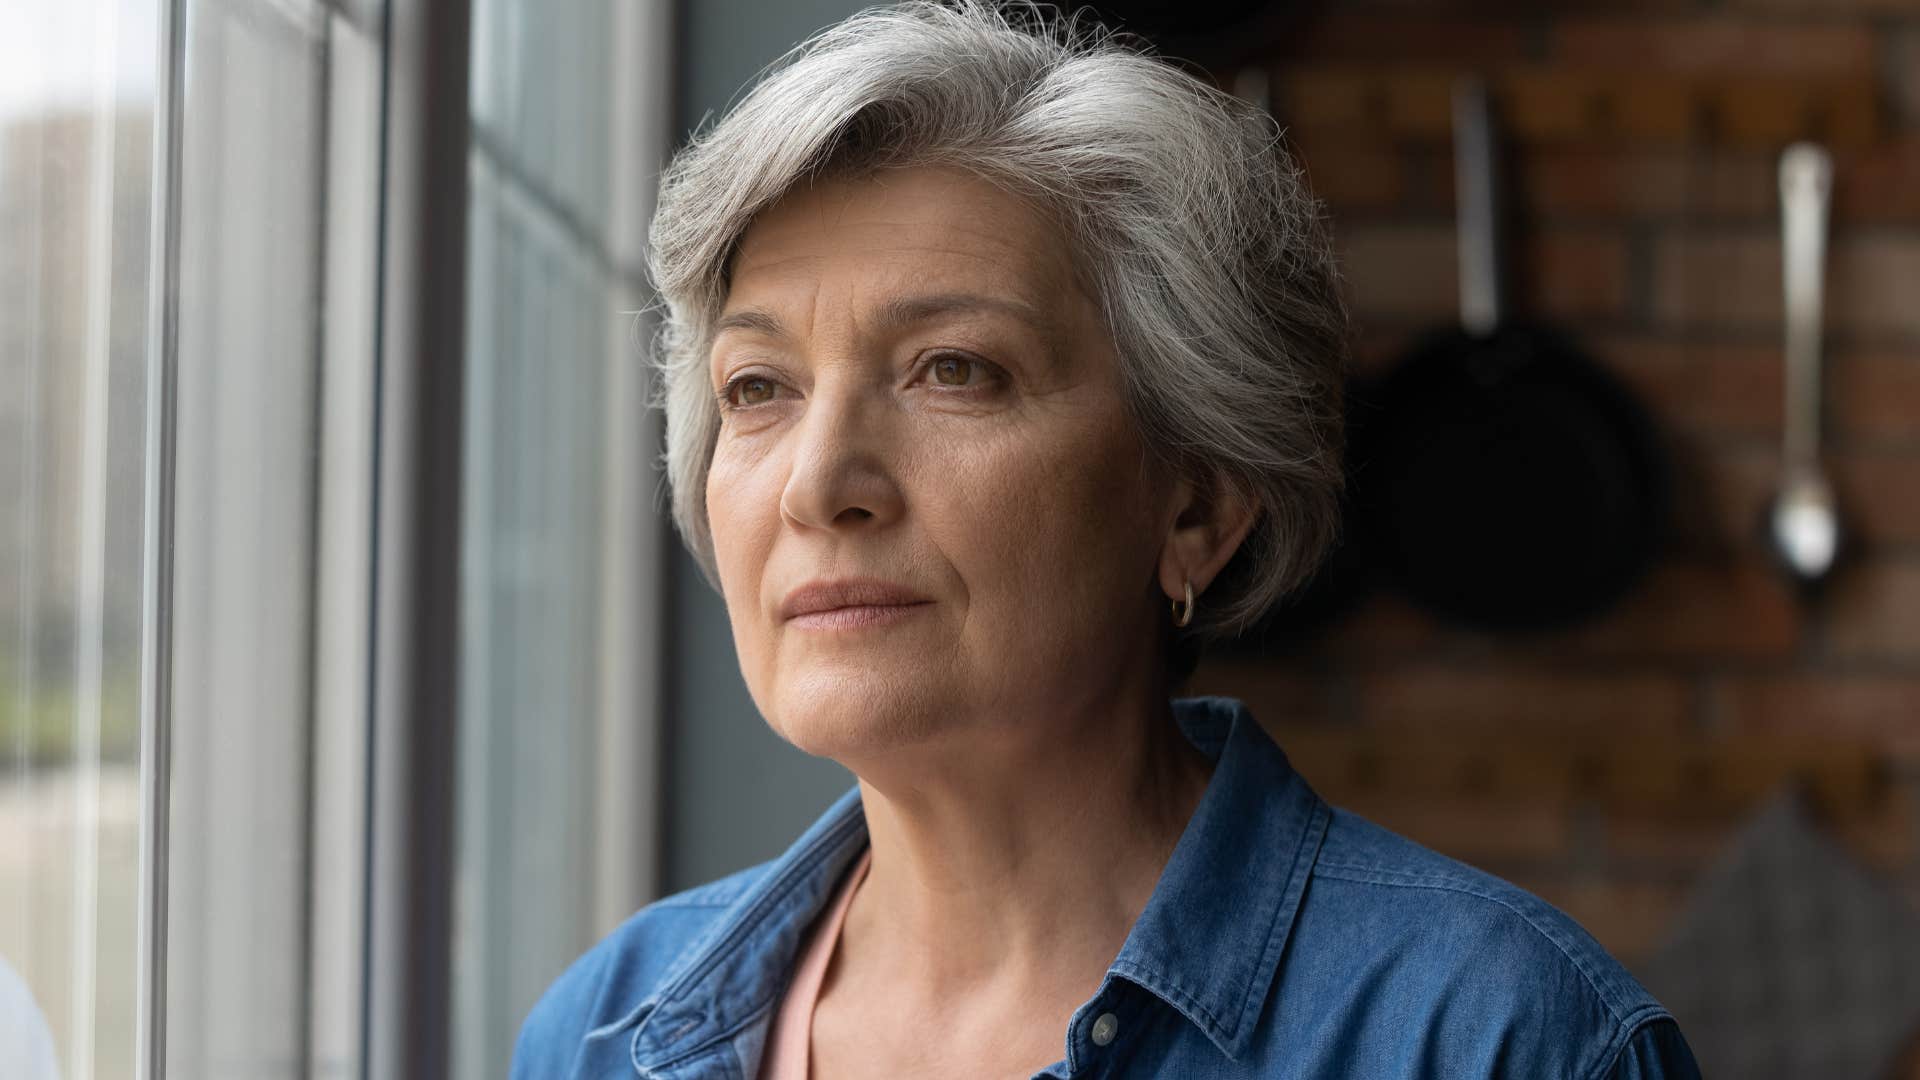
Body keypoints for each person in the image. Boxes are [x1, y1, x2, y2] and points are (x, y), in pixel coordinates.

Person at [513, 3, 1701, 1076]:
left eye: (954, 371)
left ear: (1194, 504)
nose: (819, 486)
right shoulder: (602, 1030)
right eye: (758, 386)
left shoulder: (1506, 1040)